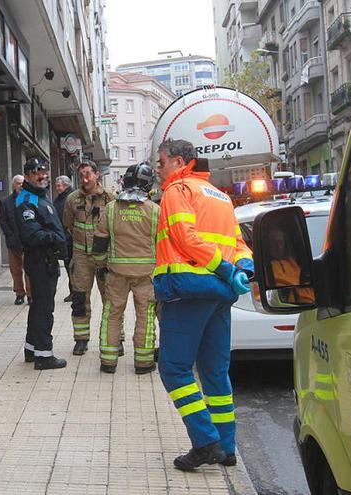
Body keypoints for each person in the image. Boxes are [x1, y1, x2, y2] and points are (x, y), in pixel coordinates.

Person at [152, 140, 253, 471]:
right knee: (215, 372)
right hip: (219, 295)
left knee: (174, 369)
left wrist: (225, 269)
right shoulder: (220, 196)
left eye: (161, 161)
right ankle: (227, 447)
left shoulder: (177, 190)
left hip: (188, 292)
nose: (158, 167)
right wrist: (242, 269)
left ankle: (205, 442)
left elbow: (184, 237)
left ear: (180, 161)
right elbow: (239, 244)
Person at [92, 162, 161, 374]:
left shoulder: (111, 209)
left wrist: (102, 266)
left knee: (111, 315)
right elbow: (162, 244)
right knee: (146, 317)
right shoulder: (155, 211)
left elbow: (100, 244)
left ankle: (108, 361)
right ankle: (143, 363)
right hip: (146, 274)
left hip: (116, 274)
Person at [15, 158, 69, 370]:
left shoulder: (40, 196)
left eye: (45, 172)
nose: (43, 176)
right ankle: (44, 356)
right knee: (44, 309)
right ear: (27, 175)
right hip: (40, 260)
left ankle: (31, 349)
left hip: (46, 260)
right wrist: (55, 237)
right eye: (38, 173)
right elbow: (31, 234)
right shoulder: (27, 200)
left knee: (38, 305)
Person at [62, 160, 114, 355]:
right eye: (81, 175)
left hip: (104, 258)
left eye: (88, 174)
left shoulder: (110, 198)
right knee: (80, 298)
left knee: (111, 299)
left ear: (96, 174)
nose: (84, 179)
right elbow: (68, 224)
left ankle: (115, 340)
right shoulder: (72, 199)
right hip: (81, 257)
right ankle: (81, 339)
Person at [0, 175, 31, 304]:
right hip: (13, 242)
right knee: (15, 270)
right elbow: (3, 221)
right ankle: (19, 293)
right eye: (18, 183)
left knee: (29, 269)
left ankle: (30, 294)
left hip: (28, 242)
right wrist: (10, 235)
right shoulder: (6, 202)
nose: (20, 186)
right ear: (13, 185)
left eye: (23, 183)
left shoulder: (31, 199)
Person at [53, 175, 75, 302]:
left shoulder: (71, 197)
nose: (57, 188)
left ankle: (75, 292)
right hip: (63, 237)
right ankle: (73, 291)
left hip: (70, 238)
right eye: (56, 186)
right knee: (68, 266)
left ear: (66, 185)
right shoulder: (60, 198)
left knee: (72, 266)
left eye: (59, 186)